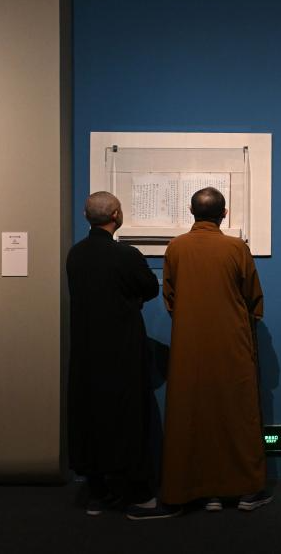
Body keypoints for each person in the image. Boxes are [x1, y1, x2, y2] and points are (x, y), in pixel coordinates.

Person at [155, 186, 269, 515]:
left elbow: (170, 298)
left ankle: (202, 491)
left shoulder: (176, 247)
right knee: (237, 413)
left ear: (191, 212)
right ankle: (245, 489)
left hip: (189, 344)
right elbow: (253, 298)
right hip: (232, 342)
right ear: (224, 213)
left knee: (192, 414)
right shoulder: (236, 248)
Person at [66, 191, 173, 519]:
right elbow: (150, 288)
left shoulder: (76, 254)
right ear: (116, 215)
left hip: (86, 348)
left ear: (86, 216)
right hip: (122, 346)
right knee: (128, 416)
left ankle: (98, 493)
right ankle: (139, 495)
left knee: (90, 414)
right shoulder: (126, 255)